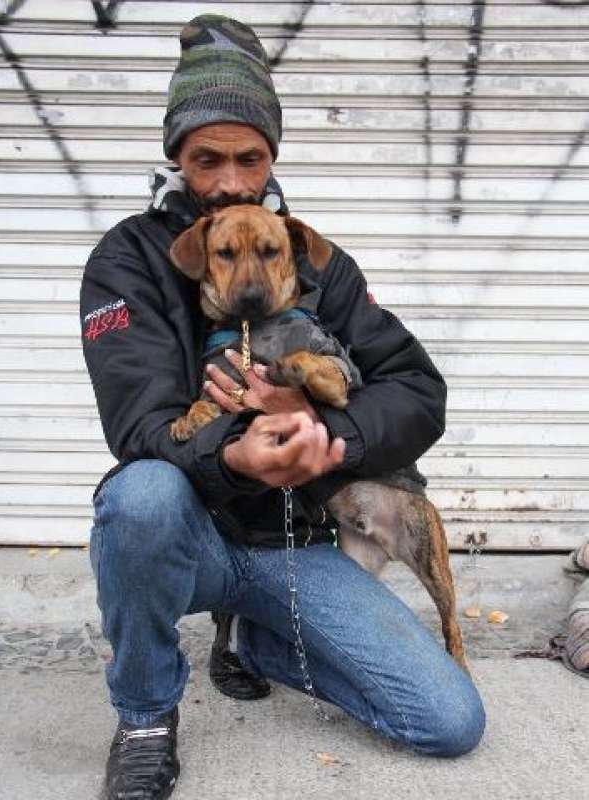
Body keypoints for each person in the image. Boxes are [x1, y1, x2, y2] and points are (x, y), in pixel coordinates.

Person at [80, 15, 486, 800]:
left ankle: (261, 644)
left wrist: (332, 430)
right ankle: (143, 718)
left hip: (291, 544)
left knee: (448, 722)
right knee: (139, 494)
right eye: (207, 159)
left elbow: (417, 391)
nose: (231, 178)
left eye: (250, 157)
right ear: (177, 157)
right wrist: (232, 451)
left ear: (271, 157)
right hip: (190, 536)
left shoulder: (310, 256)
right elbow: (137, 424)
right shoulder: (127, 259)